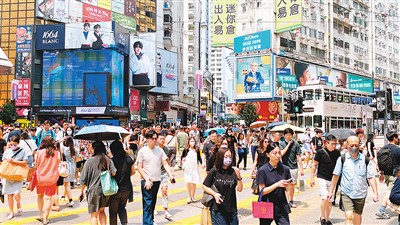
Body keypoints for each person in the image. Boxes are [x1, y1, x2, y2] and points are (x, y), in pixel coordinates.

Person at [327, 136, 379, 225]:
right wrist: (330, 191)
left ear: (359, 145)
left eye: (356, 145)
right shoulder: (342, 159)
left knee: (357, 216)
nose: (354, 147)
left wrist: (375, 193)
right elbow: (336, 176)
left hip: (360, 193)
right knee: (349, 216)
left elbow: (371, 177)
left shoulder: (365, 160)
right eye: (352, 145)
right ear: (347, 146)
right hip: (346, 192)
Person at [136, 130, 175, 225]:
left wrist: (171, 175)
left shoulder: (159, 150)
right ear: (147, 139)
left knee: (152, 202)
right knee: (147, 203)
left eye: (155, 138)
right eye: (152, 139)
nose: (154, 140)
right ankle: (147, 222)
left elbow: (165, 163)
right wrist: (146, 179)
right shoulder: (142, 151)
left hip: (157, 180)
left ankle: (150, 221)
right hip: (146, 181)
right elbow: (139, 167)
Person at [202, 147, 243, 224]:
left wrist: (239, 177)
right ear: (221, 157)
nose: (228, 159)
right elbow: (204, 185)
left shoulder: (233, 171)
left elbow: (239, 189)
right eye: (226, 157)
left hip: (232, 208)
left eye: (230, 157)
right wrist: (214, 194)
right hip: (218, 210)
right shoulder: (214, 171)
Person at [80, 141, 117, 225]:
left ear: (95, 149)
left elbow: (83, 180)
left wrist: (81, 191)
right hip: (105, 190)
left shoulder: (89, 161)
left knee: (94, 215)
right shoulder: (108, 159)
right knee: (102, 211)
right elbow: (114, 172)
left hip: (93, 191)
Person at [257, 142, 292, 225]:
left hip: (281, 205)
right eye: (274, 153)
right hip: (267, 205)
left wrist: (287, 187)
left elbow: (288, 189)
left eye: (279, 153)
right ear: (268, 155)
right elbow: (262, 191)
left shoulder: (285, 169)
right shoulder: (262, 170)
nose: (278, 155)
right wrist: (277, 185)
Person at [310, 135, 341, 225]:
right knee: (324, 198)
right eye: (332, 144)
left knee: (330, 200)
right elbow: (314, 165)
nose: (334, 146)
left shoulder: (337, 153)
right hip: (322, 177)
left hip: (333, 179)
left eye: (335, 144)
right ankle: (323, 218)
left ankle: (327, 219)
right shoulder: (320, 153)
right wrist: (312, 178)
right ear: (326, 143)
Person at [35, 136, 61, 225]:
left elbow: (36, 164)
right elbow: (58, 163)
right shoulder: (56, 153)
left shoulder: (39, 152)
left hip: (40, 177)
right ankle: (45, 218)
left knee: (40, 195)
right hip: (52, 178)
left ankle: (40, 215)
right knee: (48, 198)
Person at [109, 140, 135, 225]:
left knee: (113, 212)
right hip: (126, 188)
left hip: (115, 190)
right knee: (122, 208)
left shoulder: (111, 161)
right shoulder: (128, 159)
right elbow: (133, 172)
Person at [375, 131, 400, 219]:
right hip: (395, 175)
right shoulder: (397, 149)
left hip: (386, 174)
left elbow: (380, 162)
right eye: (397, 138)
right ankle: (381, 210)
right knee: (390, 192)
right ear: (394, 138)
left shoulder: (383, 148)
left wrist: (381, 173)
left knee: (391, 191)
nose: (398, 139)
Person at [2, 135, 28, 220]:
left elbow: (25, 162)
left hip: (17, 175)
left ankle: (18, 203)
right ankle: (11, 212)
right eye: (11, 144)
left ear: (18, 143)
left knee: (16, 193)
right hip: (8, 175)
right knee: (9, 195)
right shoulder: (7, 151)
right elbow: (3, 162)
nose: (13, 146)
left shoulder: (23, 151)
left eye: (15, 144)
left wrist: (14, 161)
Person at [279, 128, 304, 208]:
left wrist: (302, 169)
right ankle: (285, 201)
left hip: (294, 167)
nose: (288, 136)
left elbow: (298, 156)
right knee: (286, 185)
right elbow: (281, 153)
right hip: (284, 167)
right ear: (284, 135)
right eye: (287, 135)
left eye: (290, 135)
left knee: (292, 185)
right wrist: (288, 144)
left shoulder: (296, 144)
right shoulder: (282, 143)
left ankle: (291, 200)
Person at [154, 133, 173, 219]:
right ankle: (153, 207)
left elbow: (167, 160)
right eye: (160, 138)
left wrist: (170, 173)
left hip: (164, 172)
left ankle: (166, 211)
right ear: (157, 139)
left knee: (165, 191)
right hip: (155, 173)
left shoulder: (166, 149)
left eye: (163, 139)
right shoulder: (154, 149)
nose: (162, 140)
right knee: (154, 192)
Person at [182, 137, 202, 204]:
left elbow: (199, 158)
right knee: (188, 181)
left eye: (193, 141)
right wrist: (183, 160)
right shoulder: (186, 150)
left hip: (194, 168)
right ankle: (189, 196)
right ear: (188, 142)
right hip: (188, 168)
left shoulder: (196, 149)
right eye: (191, 141)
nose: (192, 142)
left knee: (194, 182)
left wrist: (202, 164)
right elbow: (182, 157)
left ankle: (193, 196)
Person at [60, 136, 78, 207]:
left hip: (66, 167)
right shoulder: (75, 149)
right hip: (73, 166)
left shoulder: (63, 148)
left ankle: (70, 200)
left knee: (66, 184)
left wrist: (60, 141)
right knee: (67, 183)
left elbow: (61, 157)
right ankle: (63, 196)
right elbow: (77, 158)